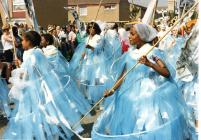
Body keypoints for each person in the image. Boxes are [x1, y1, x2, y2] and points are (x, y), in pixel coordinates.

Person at [92, 23, 189, 139]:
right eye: (129, 34)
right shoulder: (130, 54)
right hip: (130, 93)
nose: (129, 37)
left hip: (149, 94)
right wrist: (112, 90)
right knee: (131, 121)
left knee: (149, 123)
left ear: (142, 36)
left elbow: (166, 73)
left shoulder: (152, 52)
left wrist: (150, 64)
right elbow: (123, 76)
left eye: (133, 34)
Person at [3, 31, 85, 139]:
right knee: (40, 109)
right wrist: (21, 66)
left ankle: (46, 130)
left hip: (35, 87)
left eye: (23, 40)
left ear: (29, 42)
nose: (21, 42)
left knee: (40, 108)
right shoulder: (35, 51)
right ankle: (44, 129)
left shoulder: (33, 53)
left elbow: (29, 72)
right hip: (36, 85)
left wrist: (21, 70)